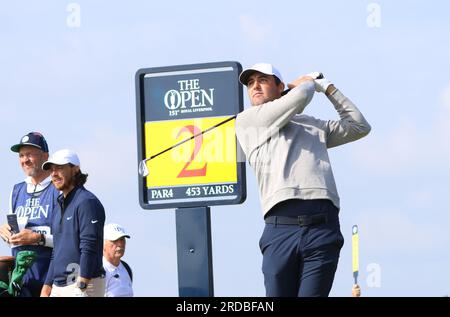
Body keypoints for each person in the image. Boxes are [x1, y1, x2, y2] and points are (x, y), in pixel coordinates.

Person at [235, 63, 371, 297]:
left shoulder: (313, 125)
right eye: (250, 83)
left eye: (262, 80)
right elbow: (301, 95)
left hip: (322, 228)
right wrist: (309, 82)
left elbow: (359, 126)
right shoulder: (248, 121)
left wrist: (327, 87)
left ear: (279, 86)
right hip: (279, 231)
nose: (255, 86)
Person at [39, 149, 106, 297]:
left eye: (59, 168)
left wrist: (82, 284)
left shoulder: (87, 202)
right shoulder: (59, 205)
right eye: (51, 170)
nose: (54, 174)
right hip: (59, 285)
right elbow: (57, 250)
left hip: (84, 284)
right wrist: (47, 284)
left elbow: (89, 245)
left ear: (75, 169)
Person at [0, 132, 59, 296]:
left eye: (30, 154)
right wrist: (6, 233)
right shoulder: (16, 190)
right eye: (21, 155)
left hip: (52, 281)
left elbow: (69, 240)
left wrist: (38, 239)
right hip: (21, 282)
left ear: (45, 156)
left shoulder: (58, 189)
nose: (25, 160)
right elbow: (17, 237)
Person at [103, 223, 133, 297]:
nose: (120, 244)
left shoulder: (126, 268)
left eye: (122, 240)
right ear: (102, 243)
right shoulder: (95, 270)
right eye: (114, 240)